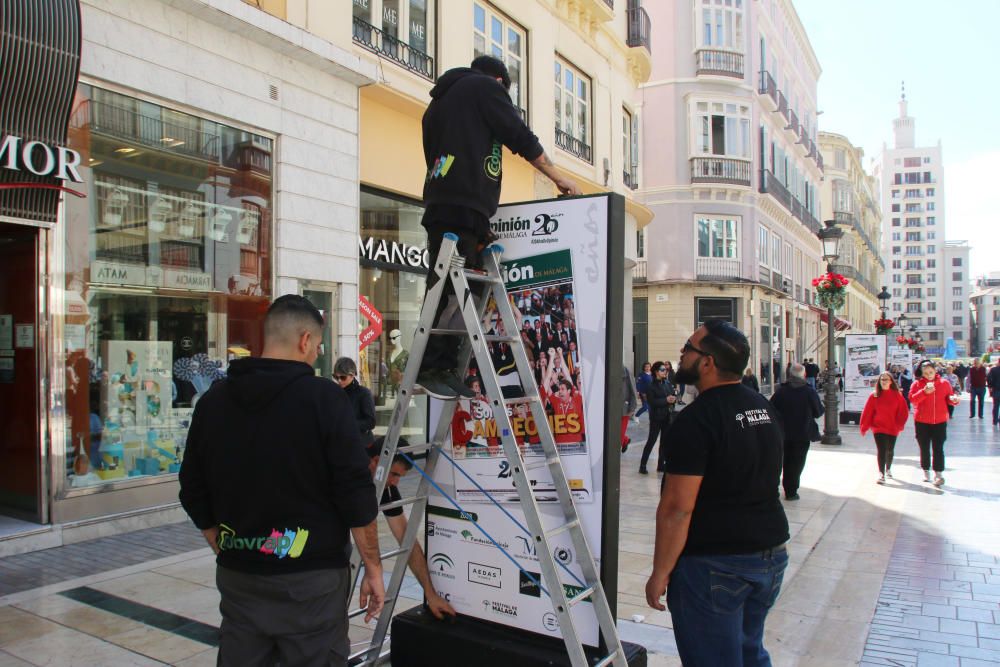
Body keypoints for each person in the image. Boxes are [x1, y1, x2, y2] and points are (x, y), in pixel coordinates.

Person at [178, 295, 384, 667]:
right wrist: (373, 567)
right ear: (305, 340)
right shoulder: (325, 399)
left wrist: (222, 543)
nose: (316, 356)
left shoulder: (213, 402)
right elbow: (355, 492)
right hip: (312, 582)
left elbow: (191, 487)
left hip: (240, 574)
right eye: (318, 347)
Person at [416, 55, 580, 399]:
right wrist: (559, 178)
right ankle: (430, 367)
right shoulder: (484, 88)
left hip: (446, 203)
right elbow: (519, 136)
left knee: (452, 289)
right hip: (463, 205)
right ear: (500, 82)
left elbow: (435, 155)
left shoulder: (437, 105)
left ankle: (442, 366)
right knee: (450, 290)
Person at [645, 320, 788, 666]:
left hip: (717, 565)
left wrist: (659, 572)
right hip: (770, 555)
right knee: (748, 652)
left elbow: (678, 508)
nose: (681, 353)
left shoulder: (696, 420)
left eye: (689, 347)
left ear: (707, 362)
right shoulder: (763, 407)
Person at [365, 437, 456, 620]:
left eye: (400, 476)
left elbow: (407, 540)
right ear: (375, 461)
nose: (395, 482)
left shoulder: (386, 487)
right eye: (394, 474)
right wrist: (372, 570)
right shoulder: (350, 471)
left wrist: (430, 594)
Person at [769, 363, 824, 501]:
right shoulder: (809, 391)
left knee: (781, 461)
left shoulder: (781, 391)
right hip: (802, 433)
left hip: (783, 434)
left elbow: (771, 410)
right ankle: (791, 491)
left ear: (790, 374)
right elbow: (818, 412)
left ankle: (775, 488)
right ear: (804, 375)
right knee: (797, 462)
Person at [909, 359, 960, 487]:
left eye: (930, 372)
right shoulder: (917, 384)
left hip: (939, 421)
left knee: (938, 448)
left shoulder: (944, 383)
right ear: (921, 373)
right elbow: (913, 399)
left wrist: (953, 399)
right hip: (922, 421)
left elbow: (949, 398)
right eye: (925, 373)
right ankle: (926, 469)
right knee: (924, 447)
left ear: (935, 371)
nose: (928, 375)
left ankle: (938, 473)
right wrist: (924, 392)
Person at [860, 372, 910, 484]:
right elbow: (868, 411)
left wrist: (899, 424)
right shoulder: (874, 395)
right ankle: (881, 473)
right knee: (881, 449)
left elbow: (903, 412)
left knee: (889, 450)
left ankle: (888, 468)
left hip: (893, 427)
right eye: (882, 379)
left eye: (886, 379)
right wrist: (864, 426)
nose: (884, 381)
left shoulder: (897, 395)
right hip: (878, 427)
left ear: (891, 381)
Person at [638, 361, 676, 474]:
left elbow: (672, 395)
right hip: (656, 417)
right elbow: (652, 402)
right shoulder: (651, 385)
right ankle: (643, 465)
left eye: (665, 370)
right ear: (656, 372)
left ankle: (661, 464)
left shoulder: (667, 383)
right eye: (662, 370)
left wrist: (673, 398)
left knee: (664, 442)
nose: (665, 372)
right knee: (652, 440)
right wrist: (666, 400)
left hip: (667, 416)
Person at [334, 357, 375, 449]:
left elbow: (370, 422)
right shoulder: (335, 392)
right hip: (340, 443)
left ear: (352, 375)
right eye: (336, 377)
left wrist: (346, 424)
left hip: (360, 444)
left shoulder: (364, 393)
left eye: (343, 377)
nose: (339, 381)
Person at [621, 364, 638, 453]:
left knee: (618, 436)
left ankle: (624, 440)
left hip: (624, 409)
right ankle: (626, 440)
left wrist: (632, 408)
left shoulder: (625, 370)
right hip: (611, 409)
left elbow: (633, 390)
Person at [989, 360, 1000, 426]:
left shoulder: (993, 369)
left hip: (996, 390)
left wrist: (990, 386)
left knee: (996, 406)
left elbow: (989, 378)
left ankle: (995, 420)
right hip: (996, 389)